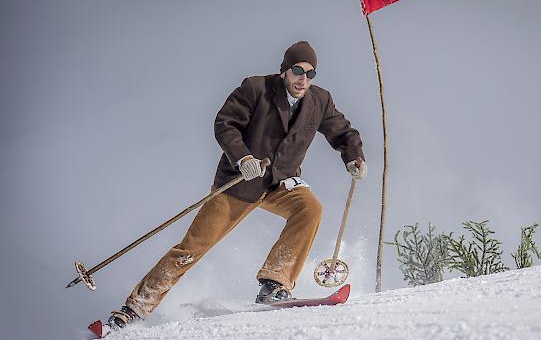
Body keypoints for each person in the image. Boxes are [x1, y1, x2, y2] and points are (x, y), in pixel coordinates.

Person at [107, 40, 367, 329]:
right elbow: (225, 123)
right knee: (191, 248)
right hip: (240, 184)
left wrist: (354, 156)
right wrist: (243, 157)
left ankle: (274, 283)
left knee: (310, 209)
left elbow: (343, 131)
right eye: (297, 70)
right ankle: (133, 309)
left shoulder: (319, 100)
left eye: (310, 73)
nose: (303, 79)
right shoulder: (256, 88)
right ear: (284, 71)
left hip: (281, 183)